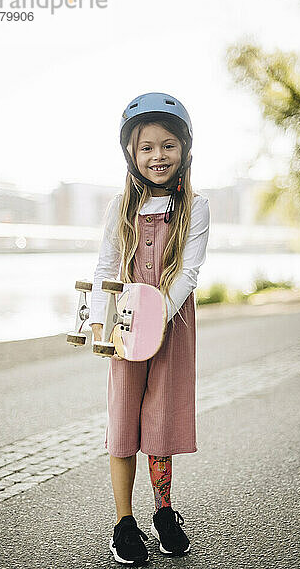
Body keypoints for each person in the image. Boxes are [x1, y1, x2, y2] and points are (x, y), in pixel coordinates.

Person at [88, 92, 210, 565]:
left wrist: (156, 314)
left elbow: (188, 273)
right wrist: (101, 322)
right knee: (123, 422)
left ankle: (164, 513)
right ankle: (123, 523)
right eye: (146, 148)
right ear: (131, 156)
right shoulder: (118, 209)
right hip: (124, 327)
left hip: (169, 325)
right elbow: (104, 267)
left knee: (160, 421)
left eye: (167, 146)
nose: (157, 156)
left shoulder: (195, 207)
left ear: (184, 151)